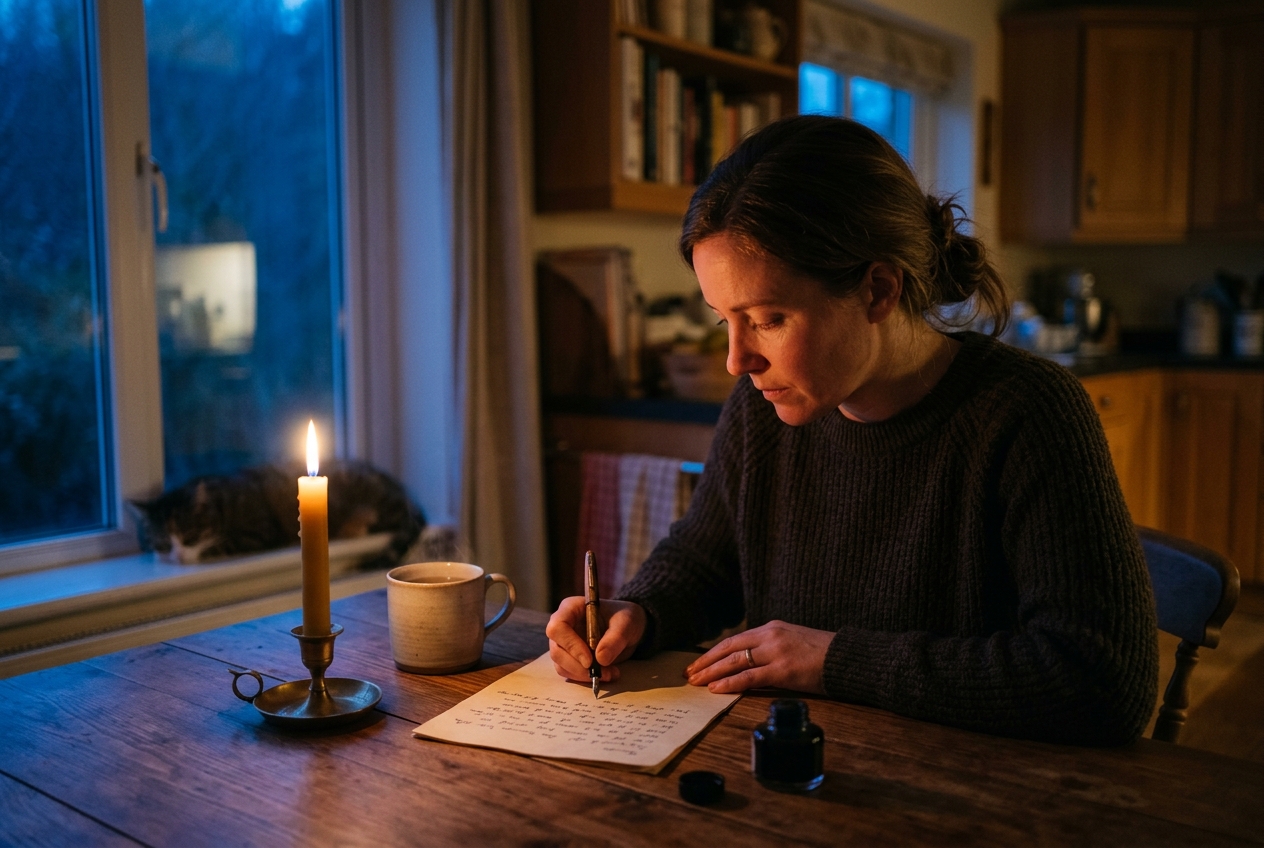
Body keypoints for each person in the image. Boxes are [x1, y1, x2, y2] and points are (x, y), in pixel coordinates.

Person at [546, 115, 1158, 746]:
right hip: (808, 765)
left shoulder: (1027, 413)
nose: (737, 360)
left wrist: (835, 661)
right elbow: (705, 562)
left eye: (768, 318)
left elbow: (1104, 681)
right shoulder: (763, 407)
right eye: (724, 318)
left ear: (878, 290)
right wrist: (637, 612)